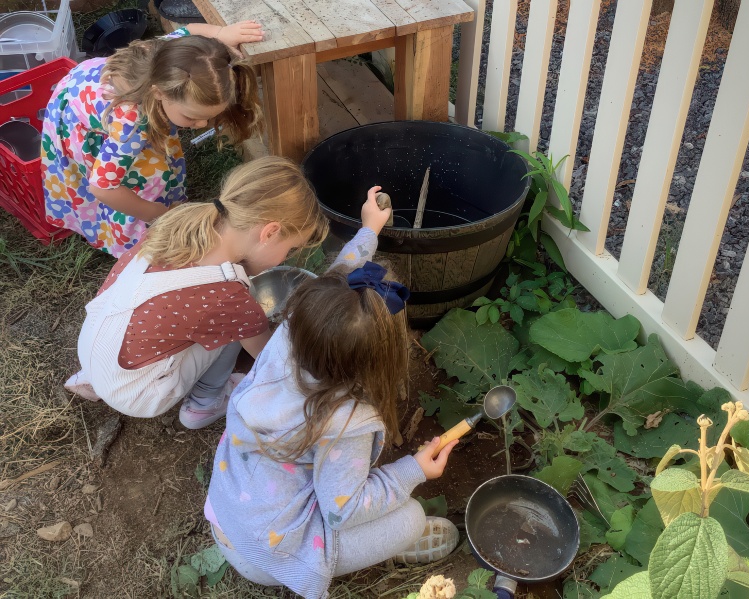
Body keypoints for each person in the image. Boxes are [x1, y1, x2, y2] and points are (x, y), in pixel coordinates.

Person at [204, 233, 461, 598]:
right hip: (267, 556)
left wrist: (368, 232)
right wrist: (413, 471)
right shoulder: (345, 422)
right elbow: (343, 510)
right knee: (411, 518)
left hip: (229, 509)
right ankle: (383, 546)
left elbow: (340, 280)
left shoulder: (288, 336)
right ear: (377, 363)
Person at [64, 156, 337, 428]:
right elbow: (271, 359)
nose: (285, 257)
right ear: (270, 232)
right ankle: (205, 403)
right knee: (237, 327)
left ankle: (93, 380)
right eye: (289, 248)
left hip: (95, 350)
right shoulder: (229, 297)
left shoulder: (176, 226)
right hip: (136, 394)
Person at [41, 22, 264, 257]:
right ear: (159, 93)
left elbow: (189, 30)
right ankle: (132, 239)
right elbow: (103, 188)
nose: (201, 125)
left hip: (90, 84)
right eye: (192, 117)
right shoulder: (131, 125)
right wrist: (154, 212)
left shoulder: (173, 58)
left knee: (151, 158)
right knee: (145, 176)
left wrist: (220, 34)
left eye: (208, 118)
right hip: (74, 116)